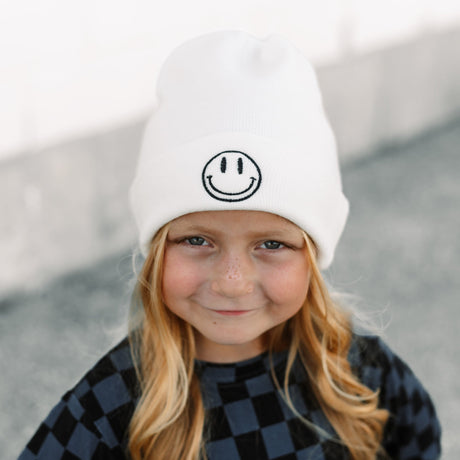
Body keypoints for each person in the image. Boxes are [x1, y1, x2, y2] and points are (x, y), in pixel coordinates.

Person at [18, 30, 441, 460]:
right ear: (158, 251)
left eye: (271, 244)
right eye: (197, 240)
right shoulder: (110, 405)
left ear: (312, 257)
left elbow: (419, 440)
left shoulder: (355, 367)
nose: (233, 283)